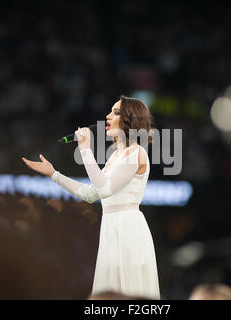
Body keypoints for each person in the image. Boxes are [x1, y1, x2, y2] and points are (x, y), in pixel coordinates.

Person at [22, 95, 160, 299]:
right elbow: (91, 194)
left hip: (128, 229)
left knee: (129, 293)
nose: (107, 116)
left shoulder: (137, 153)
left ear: (130, 119)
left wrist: (85, 150)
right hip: (111, 227)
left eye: (115, 112)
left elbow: (104, 189)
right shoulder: (115, 156)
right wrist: (54, 174)